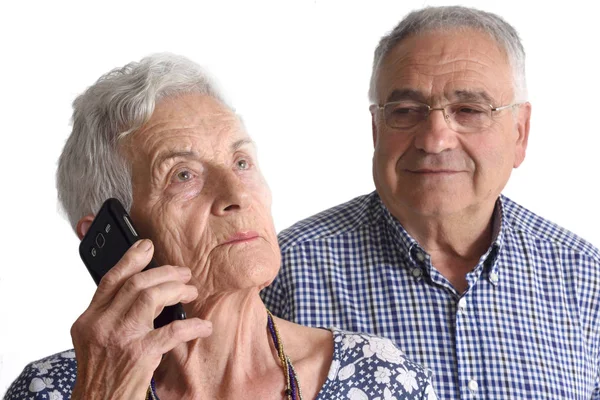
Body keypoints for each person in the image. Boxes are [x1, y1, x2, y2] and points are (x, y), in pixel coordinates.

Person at [4, 54, 436, 400]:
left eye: (241, 162)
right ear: (112, 242)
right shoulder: (53, 391)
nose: (236, 193)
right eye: (183, 175)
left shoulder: (382, 379)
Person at [261, 5, 600, 399]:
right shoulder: (284, 272)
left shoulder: (584, 279)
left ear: (520, 133)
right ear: (376, 129)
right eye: (405, 111)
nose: (435, 139)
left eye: (469, 110)